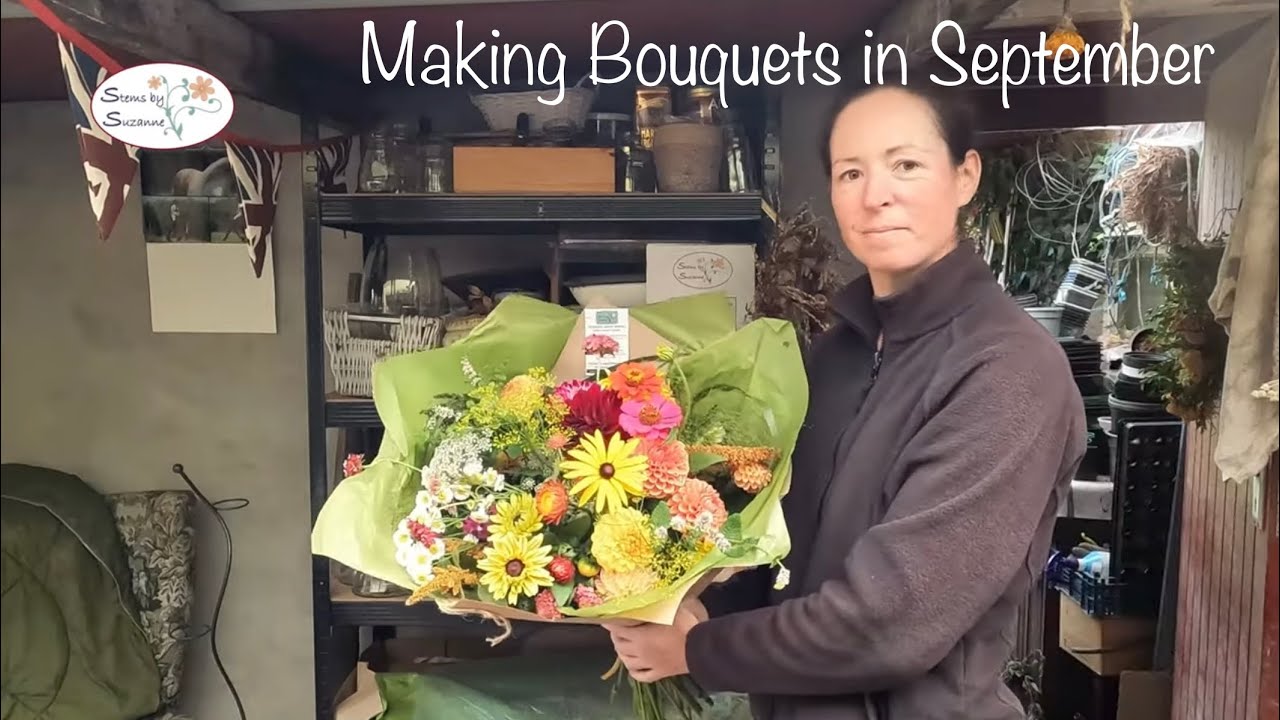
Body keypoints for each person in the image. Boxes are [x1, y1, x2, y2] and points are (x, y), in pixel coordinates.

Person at [603, 83, 1087, 720]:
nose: (875, 194)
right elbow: (771, 547)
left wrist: (699, 647)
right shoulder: (831, 357)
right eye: (850, 171)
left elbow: (893, 619)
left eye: (906, 165)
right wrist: (659, 589)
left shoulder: (1007, 370)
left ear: (965, 176)